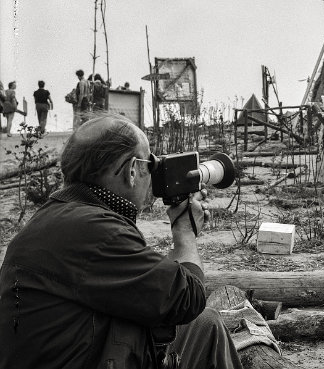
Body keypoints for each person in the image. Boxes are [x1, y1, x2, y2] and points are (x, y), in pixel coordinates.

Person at [0, 115, 243, 369]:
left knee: (205, 325)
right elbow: (187, 298)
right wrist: (184, 232)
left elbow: (153, 287)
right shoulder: (98, 233)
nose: (151, 175)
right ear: (130, 171)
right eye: (148, 164)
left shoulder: (55, 217)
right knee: (207, 323)